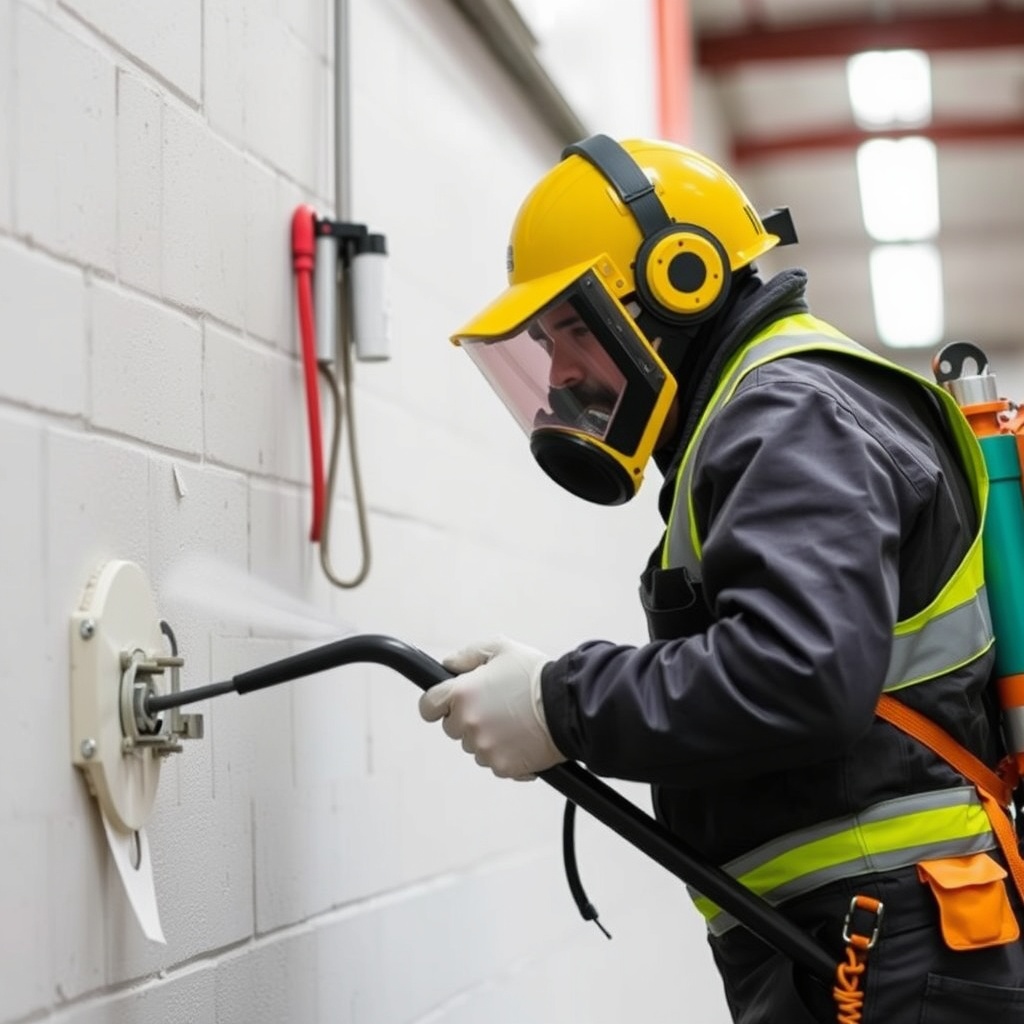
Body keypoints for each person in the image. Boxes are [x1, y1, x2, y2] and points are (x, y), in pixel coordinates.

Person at [418, 135, 1024, 1022]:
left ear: (685, 280)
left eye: (577, 328)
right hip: (873, 938)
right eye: (545, 342)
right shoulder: (766, 415)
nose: (562, 374)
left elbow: (799, 674)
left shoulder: (788, 413)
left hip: (887, 941)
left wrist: (561, 702)